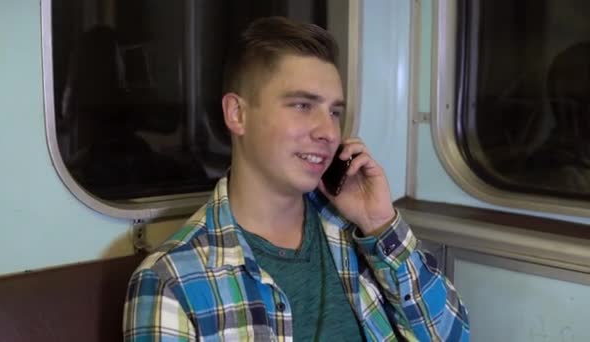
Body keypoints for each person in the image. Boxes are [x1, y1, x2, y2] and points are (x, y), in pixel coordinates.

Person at [123, 16, 469, 341]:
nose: (328, 131)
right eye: (303, 106)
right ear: (237, 114)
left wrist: (379, 224)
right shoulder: (172, 280)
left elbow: (453, 335)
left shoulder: (353, 233)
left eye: (334, 112)